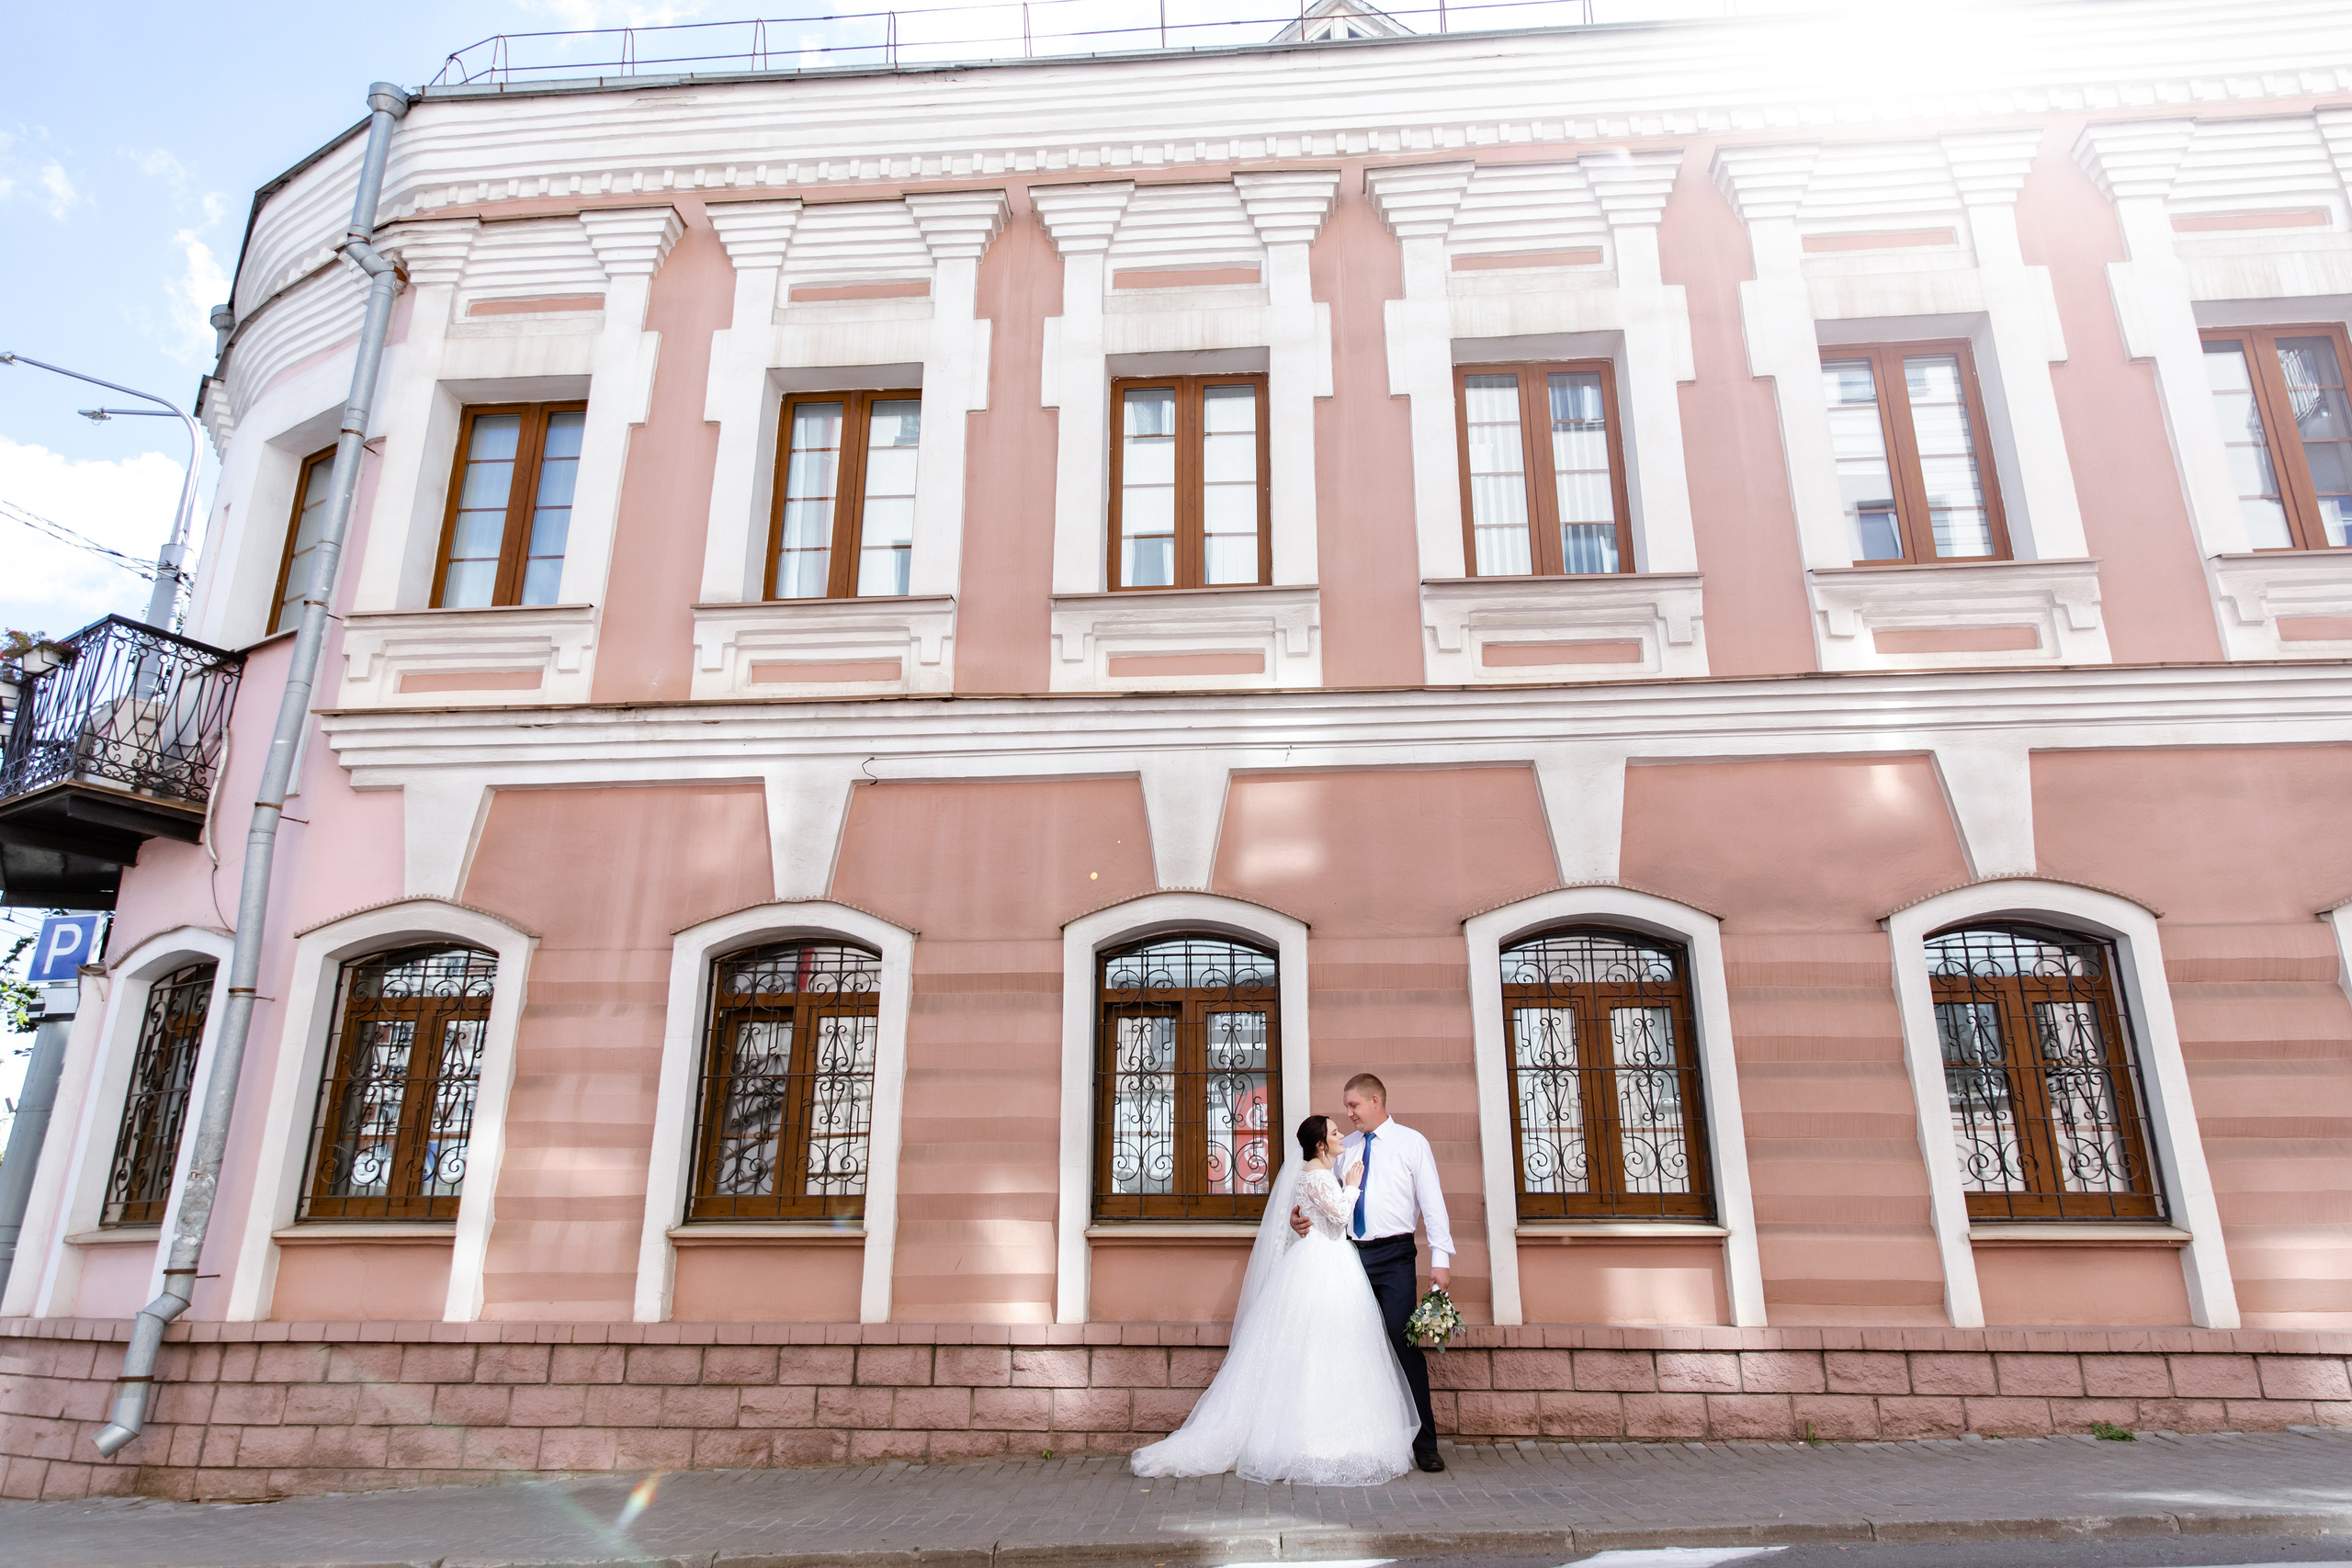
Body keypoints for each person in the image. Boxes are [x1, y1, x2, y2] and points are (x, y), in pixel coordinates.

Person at [1128, 1113, 1419, 1486]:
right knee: (1317, 1349)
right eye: (1334, 1132)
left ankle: (1342, 1434)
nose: (1340, 1134)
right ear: (1320, 1145)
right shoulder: (1316, 1175)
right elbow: (1341, 1215)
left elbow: (1318, 1219)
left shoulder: (1319, 1172)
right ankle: (1311, 1441)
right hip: (1322, 1264)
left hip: (1331, 1260)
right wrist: (1352, 1186)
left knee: (1338, 1348)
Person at [1295, 1072, 1452, 1472]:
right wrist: (1298, 1220)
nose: (1348, 1115)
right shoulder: (1344, 1150)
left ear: (1375, 1101)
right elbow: (1324, 1199)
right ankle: (1353, 1439)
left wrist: (1441, 1260)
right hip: (1348, 1256)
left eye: (1353, 1106)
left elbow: (1431, 1203)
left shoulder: (1412, 1143)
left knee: (1404, 1343)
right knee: (1350, 1346)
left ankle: (1425, 1444)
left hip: (1396, 1256)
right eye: (1346, 1108)